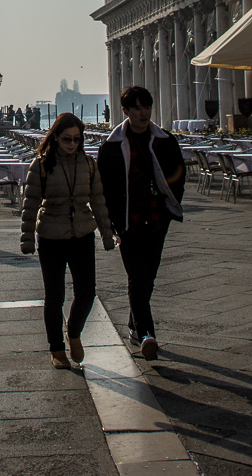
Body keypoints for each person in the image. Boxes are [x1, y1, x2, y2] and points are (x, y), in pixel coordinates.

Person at [20, 112, 115, 369]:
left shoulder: (89, 164)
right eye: (66, 139)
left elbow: (98, 201)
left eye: (76, 139)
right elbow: (30, 205)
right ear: (55, 138)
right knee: (55, 296)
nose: (72, 144)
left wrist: (107, 234)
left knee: (87, 293)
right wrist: (27, 238)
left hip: (82, 234)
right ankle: (56, 349)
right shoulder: (41, 165)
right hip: (51, 236)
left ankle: (73, 332)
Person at [98, 85, 185, 361]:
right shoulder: (111, 147)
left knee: (149, 276)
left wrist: (170, 205)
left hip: (157, 218)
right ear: (125, 111)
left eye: (146, 107)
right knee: (137, 276)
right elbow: (104, 187)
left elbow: (177, 174)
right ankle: (147, 334)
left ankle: (135, 325)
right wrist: (111, 220)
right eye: (136, 108)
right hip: (127, 220)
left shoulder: (165, 141)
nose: (143, 112)